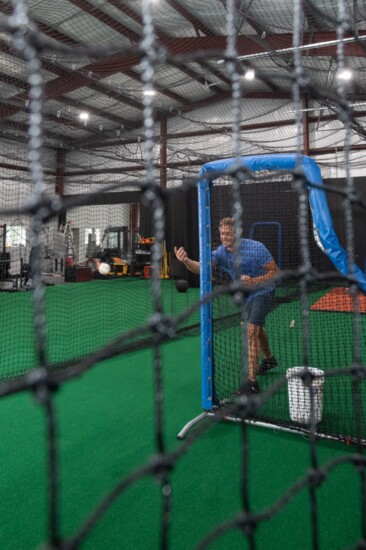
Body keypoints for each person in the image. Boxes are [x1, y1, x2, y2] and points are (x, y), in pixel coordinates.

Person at [174, 217, 279, 394]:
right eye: (222, 233)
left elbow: (275, 272)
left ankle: (251, 382)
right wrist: (186, 261)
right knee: (257, 329)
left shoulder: (256, 248)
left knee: (251, 330)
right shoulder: (222, 253)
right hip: (246, 295)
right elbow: (203, 268)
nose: (225, 237)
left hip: (264, 290)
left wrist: (255, 281)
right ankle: (269, 359)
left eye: (229, 233)